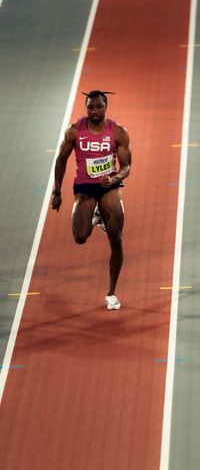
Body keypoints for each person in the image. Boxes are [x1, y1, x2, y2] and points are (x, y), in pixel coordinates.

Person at [51, 90, 131, 309]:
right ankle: (96, 215)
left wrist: (113, 178)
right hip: (85, 188)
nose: (94, 111)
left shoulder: (118, 132)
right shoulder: (75, 131)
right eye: (90, 107)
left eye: (98, 106)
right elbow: (61, 160)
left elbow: (126, 167)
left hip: (109, 187)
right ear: (86, 107)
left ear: (106, 107)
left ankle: (111, 293)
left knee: (116, 238)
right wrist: (57, 191)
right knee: (79, 236)